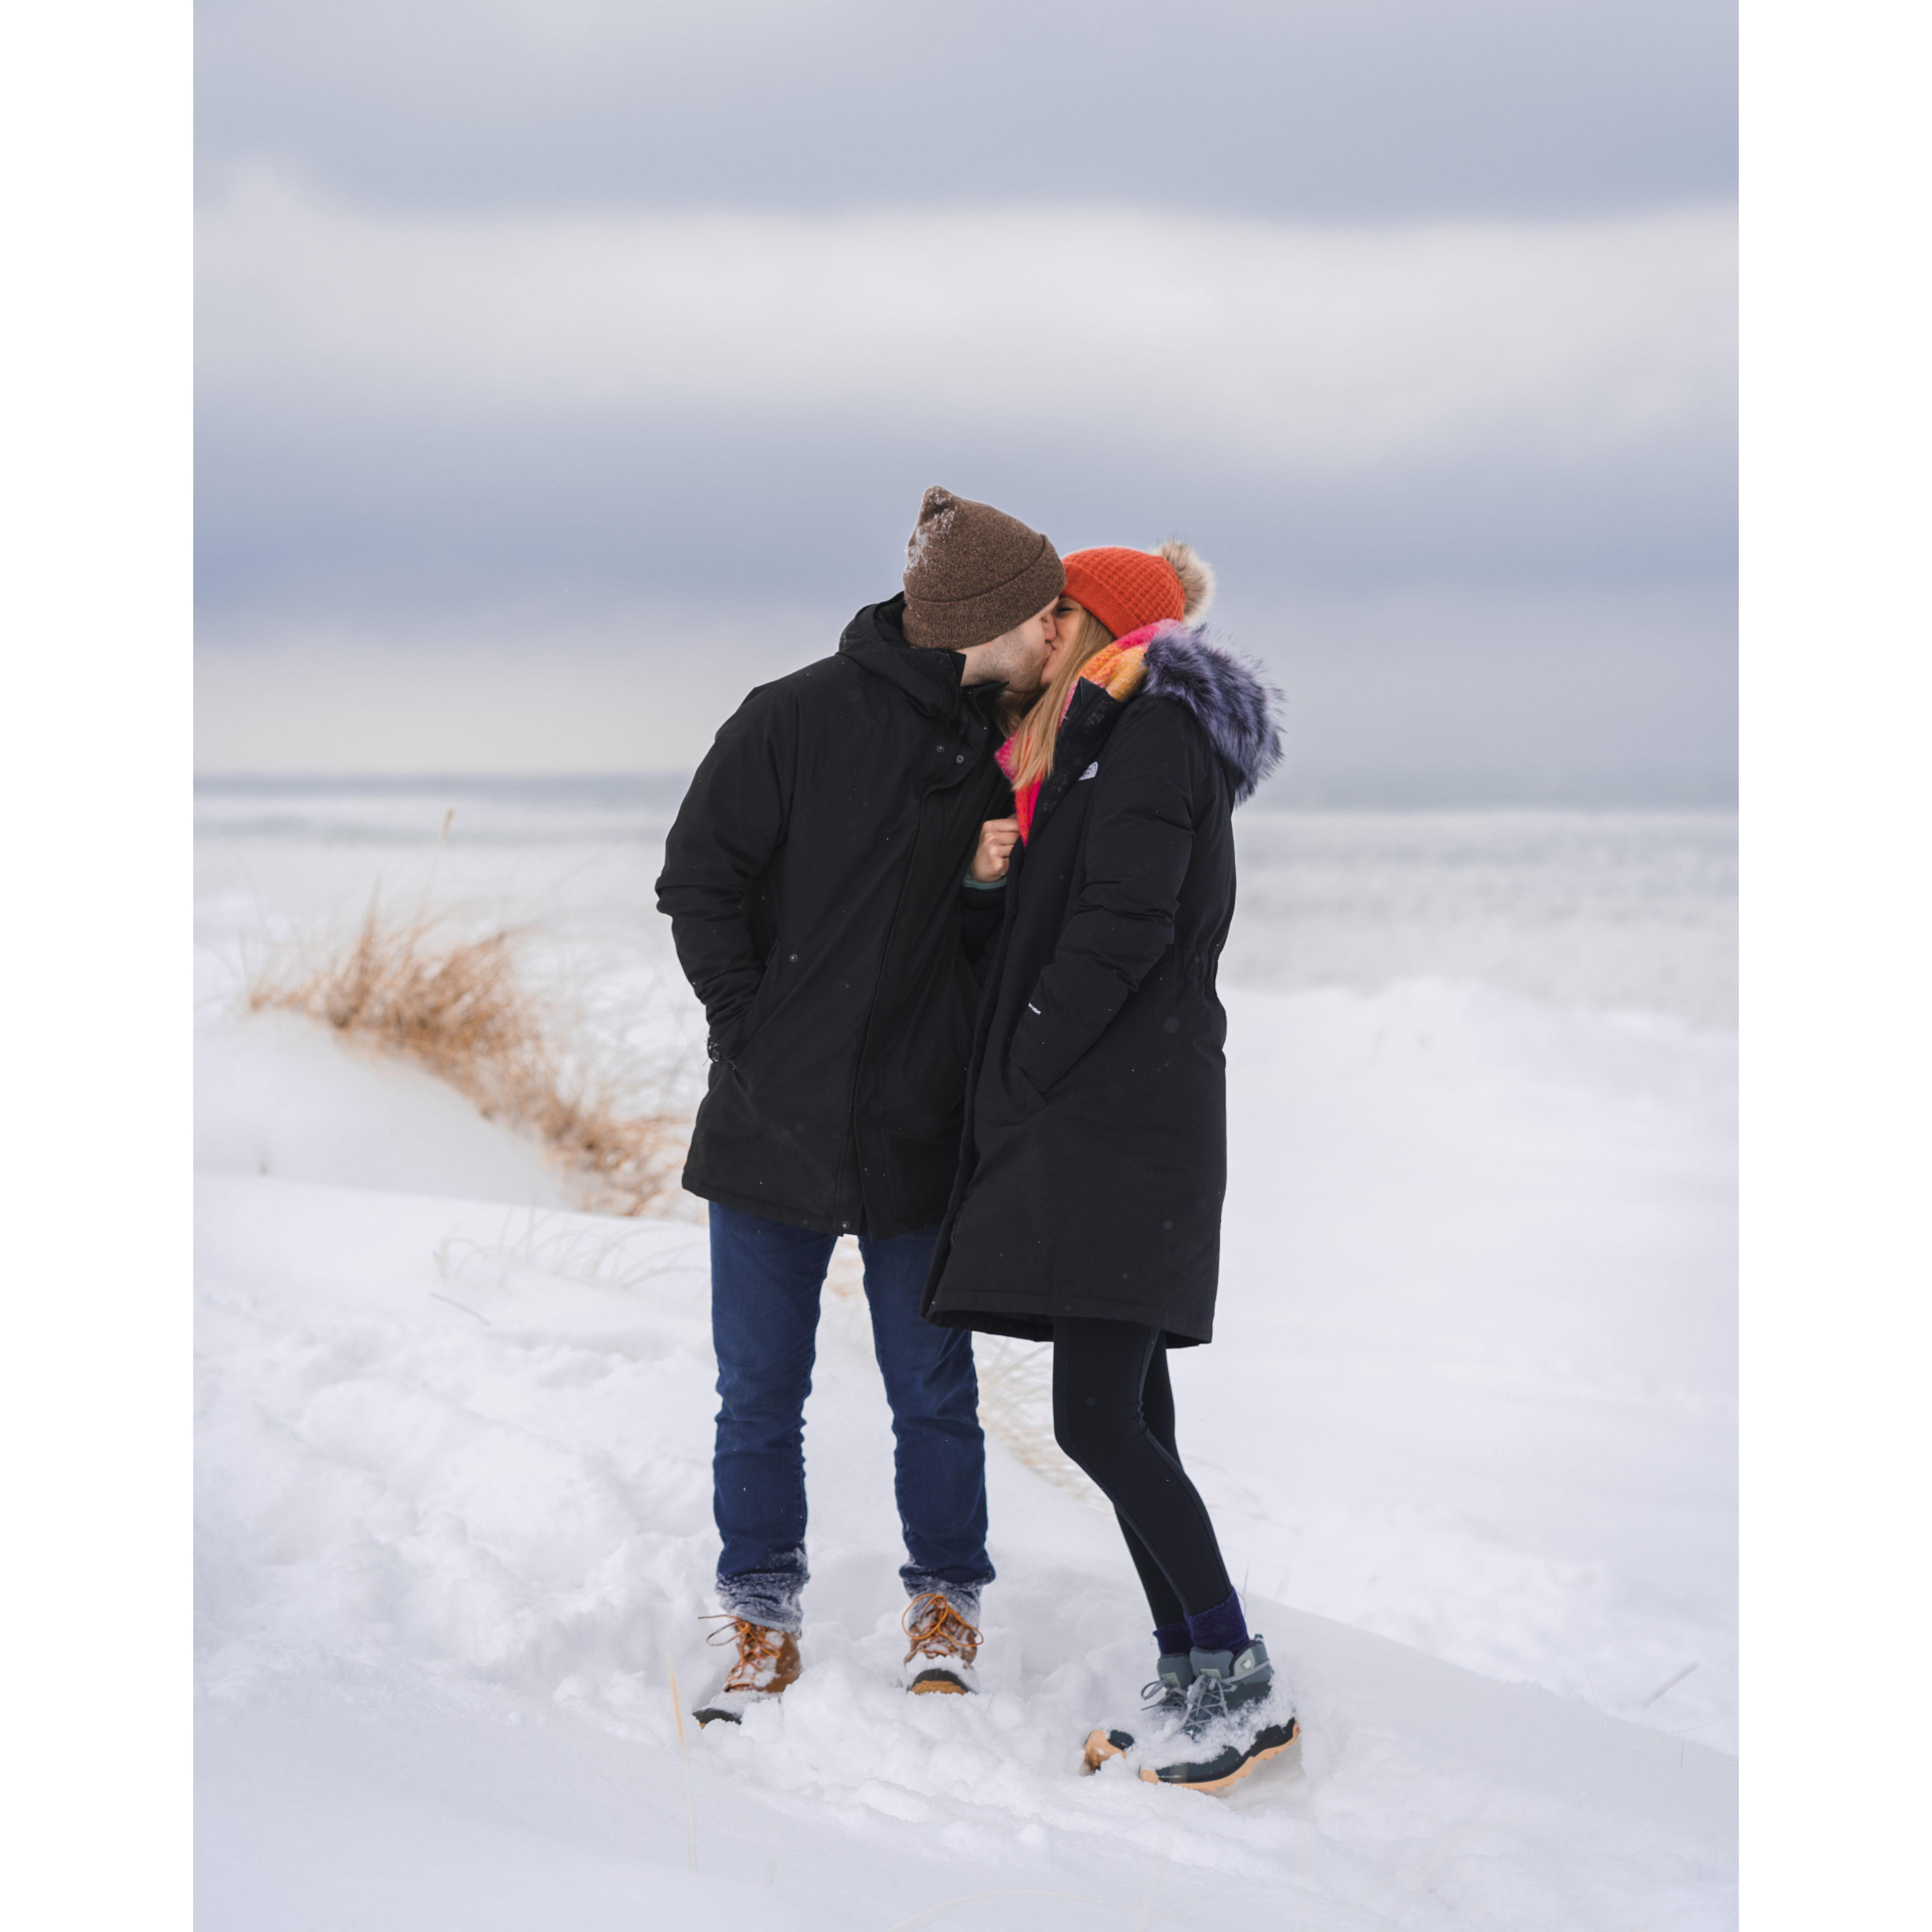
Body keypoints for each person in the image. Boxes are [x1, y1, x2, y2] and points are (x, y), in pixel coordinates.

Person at [656, 486, 1064, 1723]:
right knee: (759, 1392)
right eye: (1045, 612)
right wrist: (751, 1033)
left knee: (933, 1393)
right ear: (985, 618)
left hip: (918, 1131)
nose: (1058, 634)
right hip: (770, 1122)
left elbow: (984, 957)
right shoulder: (790, 719)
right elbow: (698, 883)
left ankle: (946, 1601)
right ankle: (761, 1613)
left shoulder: (1008, 747)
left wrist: (987, 891)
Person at [921, 540, 1293, 1791]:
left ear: (1085, 625)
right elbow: (1059, 917)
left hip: (1123, 1123)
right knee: (1134, 1418)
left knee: (1096, 1419)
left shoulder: (1151, 742)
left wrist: (1029, 1052)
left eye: (1049, 612)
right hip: (1118, 1115)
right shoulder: (1103, 740)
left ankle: (1237, 1688)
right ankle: (1197, 1675)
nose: (1031, 630)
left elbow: (1124, 927)